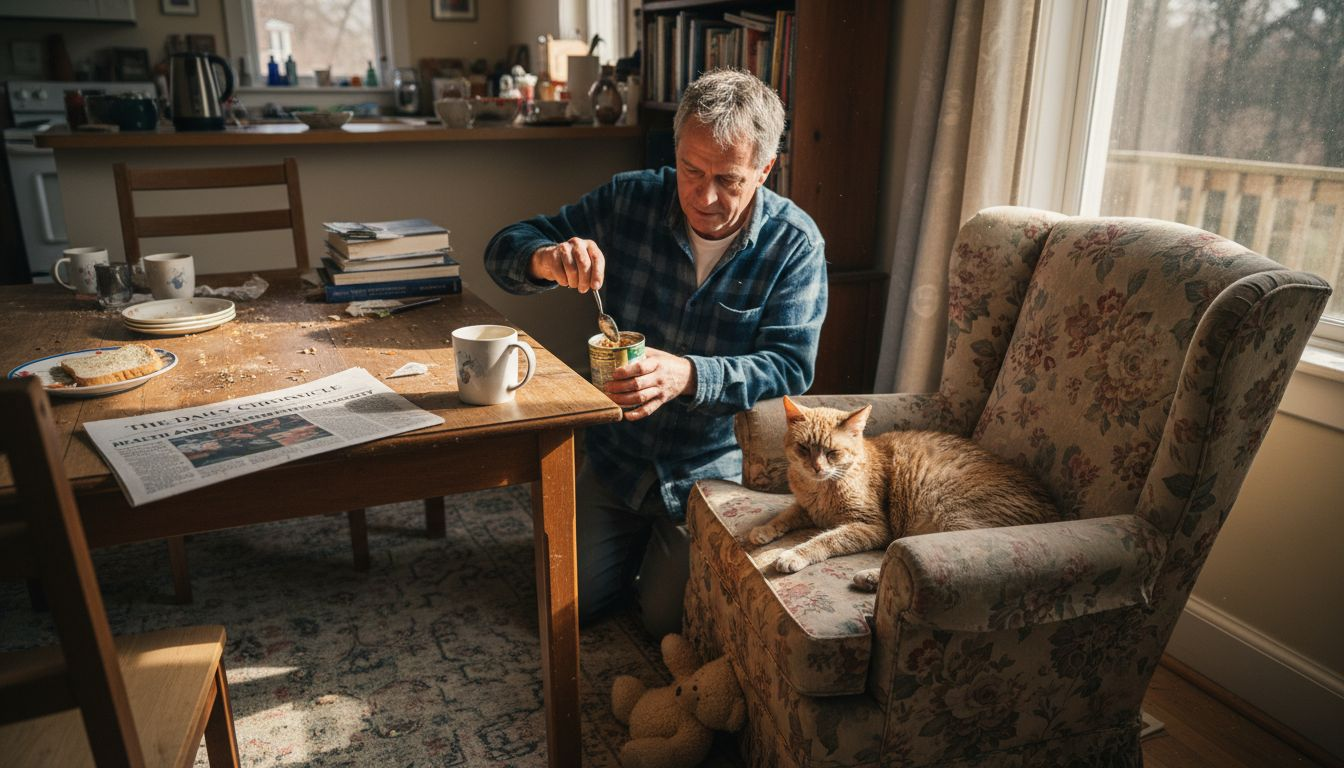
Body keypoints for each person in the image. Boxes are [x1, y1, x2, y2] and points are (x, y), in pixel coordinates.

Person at [484, 69, 827, 636]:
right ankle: (629, 558)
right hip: (617, 456)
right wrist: (547, 259)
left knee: (667, 622)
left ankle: (659, 567)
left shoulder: (795, 244)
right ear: (676, 150)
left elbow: (791, 367)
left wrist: (691, 375)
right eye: (691, 170)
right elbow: (503, 250)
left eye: (728, 179)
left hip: (709, 471)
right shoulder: (631, 198)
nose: (704, 196)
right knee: (568, 608)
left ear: (765, 170)